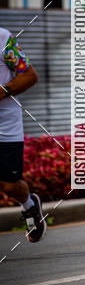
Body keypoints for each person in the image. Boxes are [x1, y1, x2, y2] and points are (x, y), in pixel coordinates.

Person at [0, 27, 46, 242]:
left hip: (5, 124)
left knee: (10, 185)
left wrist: (2, 91)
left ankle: (29, 205)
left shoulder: (3, 38)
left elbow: (29, 75)